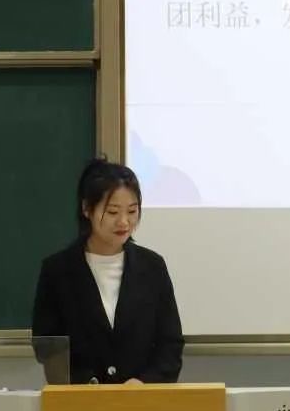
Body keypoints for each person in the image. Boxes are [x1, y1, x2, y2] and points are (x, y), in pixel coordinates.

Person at [32, 157, 184, 384]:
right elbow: (48, 347)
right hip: (81, 400)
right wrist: (87, 384)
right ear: (87, 209)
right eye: (113, 212)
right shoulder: (57, 271)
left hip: (143, 399)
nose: (124, 222)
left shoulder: (153, 267)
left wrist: (145, 383)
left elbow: (170, 343)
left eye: (132, 211)